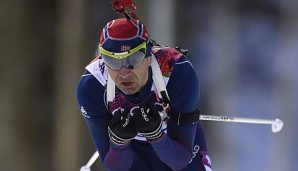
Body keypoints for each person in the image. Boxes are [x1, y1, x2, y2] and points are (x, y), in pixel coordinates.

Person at [77, 17, 212, 171]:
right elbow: (114, 167)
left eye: (132, 60)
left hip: (174, 142)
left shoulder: (177, 71)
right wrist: (119, 142)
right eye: (112, 61)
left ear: (149, 57)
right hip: (131, 152)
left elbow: (181, 161)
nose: (124, 73)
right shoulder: (92, 86)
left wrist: (156, 136)